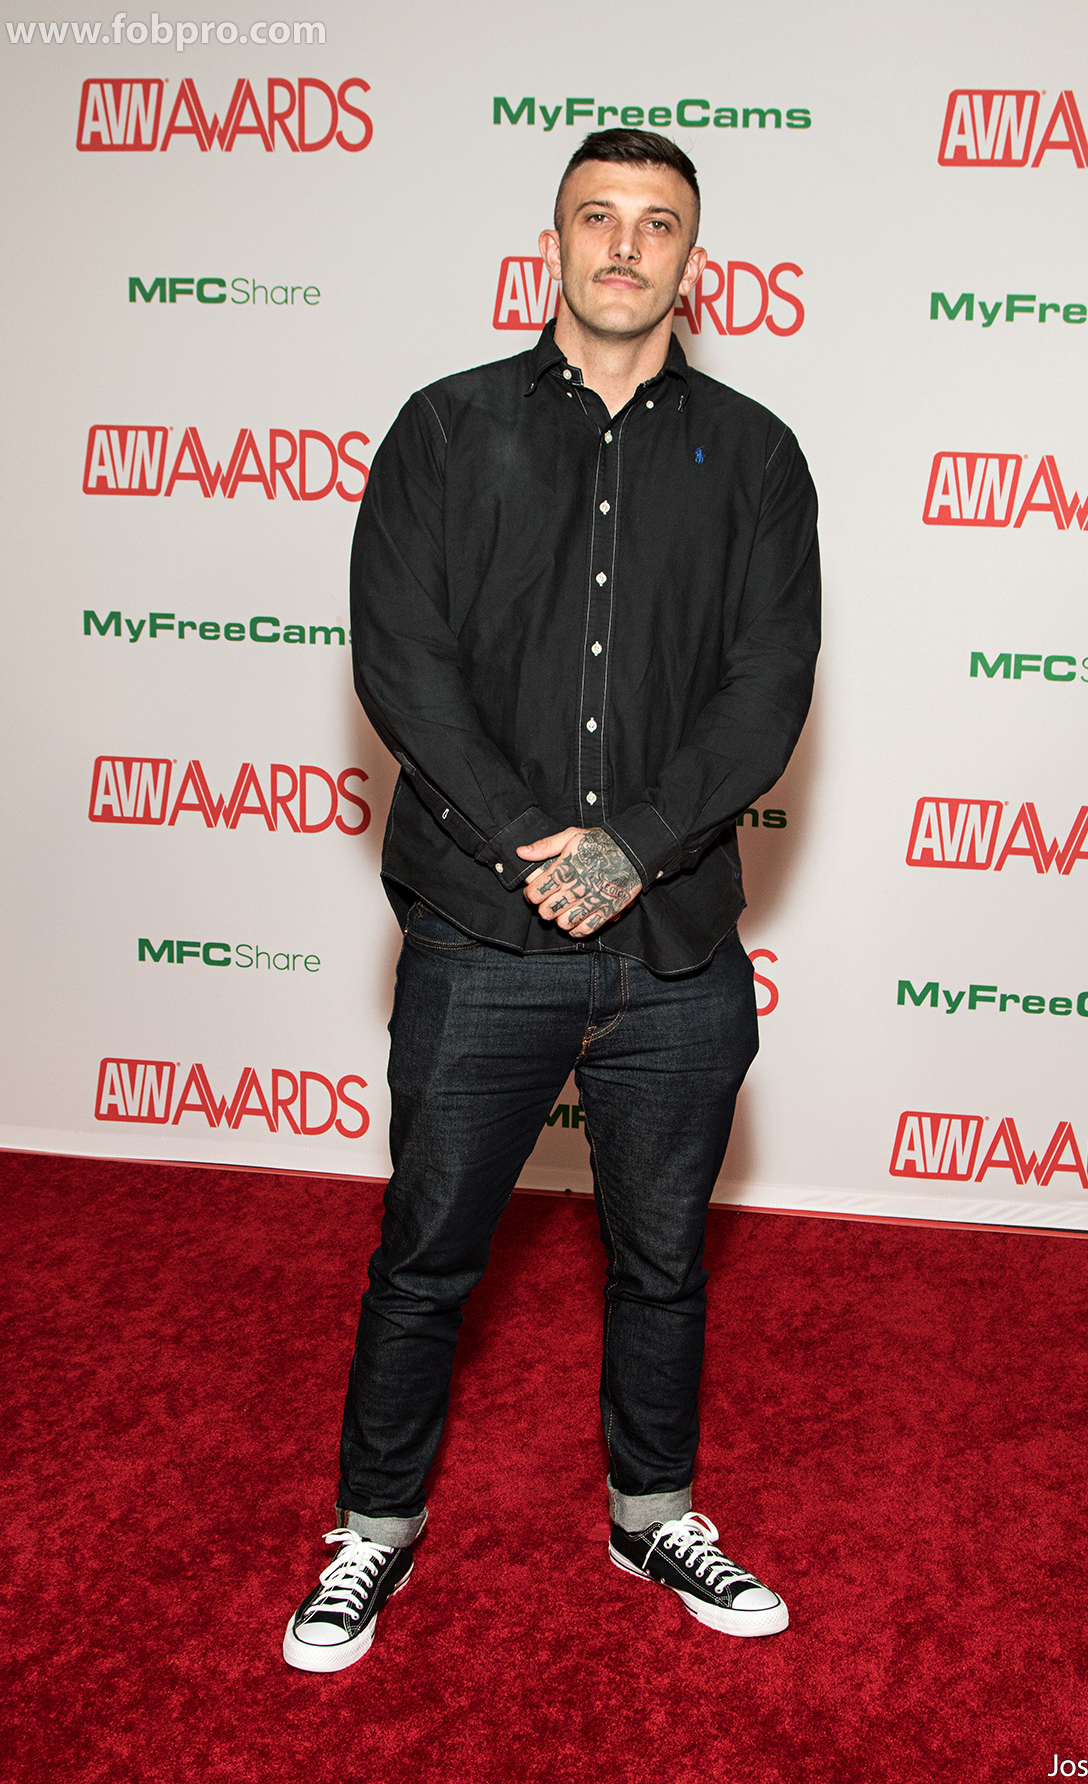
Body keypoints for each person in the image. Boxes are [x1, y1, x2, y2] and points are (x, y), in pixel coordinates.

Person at [282, 128, 820, 1673]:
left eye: (658, 224)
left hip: (677, 946)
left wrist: (633, 847)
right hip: (479, 929)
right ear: (555, 244)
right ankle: (372, 1531)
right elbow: (402, 659)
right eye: (600, 216)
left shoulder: (758, 457)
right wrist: (535, 841)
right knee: (425, 1257)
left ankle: (655, 1512)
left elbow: (767, 684)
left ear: (695, 264)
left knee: (663, 1258)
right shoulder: (445, 430)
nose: (626, 245)